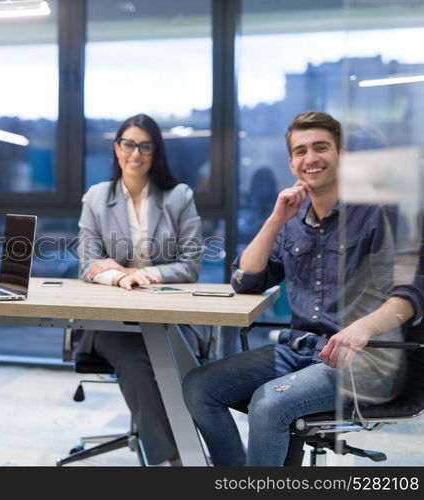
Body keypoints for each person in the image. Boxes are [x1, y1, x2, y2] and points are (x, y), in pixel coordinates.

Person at [182, 111, 424, 466]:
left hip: (364, 358)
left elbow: (411, 293)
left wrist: (361, 328)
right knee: (198, 386)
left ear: (341, 154)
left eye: (321, 148)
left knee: (270, 402)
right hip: (301, 350)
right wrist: (275, 219)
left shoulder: (380, 213)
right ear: (292, 163)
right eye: (301, 151)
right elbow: (246, 280)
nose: (310, 158)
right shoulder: (292, 220)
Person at [77, 113, 203, 465]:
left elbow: (190, 264)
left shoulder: (178, 197)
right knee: (135, 360)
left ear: (155, 152)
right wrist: (118, 278)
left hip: (168, 318)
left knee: (177, 365)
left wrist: (139, 273)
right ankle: (176, 457)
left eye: (145, 146)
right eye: (129, 144)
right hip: (110, 322)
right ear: (117, 149)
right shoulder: (97, 197)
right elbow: (87, 263)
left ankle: (193, 449)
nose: (136, 152)